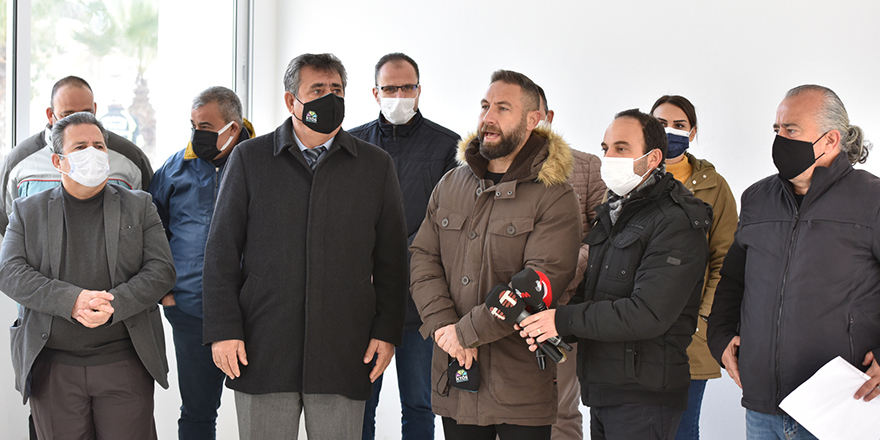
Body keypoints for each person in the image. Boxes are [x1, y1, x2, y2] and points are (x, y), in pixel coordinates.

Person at [202, 53, 409, 440]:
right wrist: (223, 329)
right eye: (317, 90)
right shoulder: (250, 158)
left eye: (337, 90)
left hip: (344, 349)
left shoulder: (375, 165)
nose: (329, 98)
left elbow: (393, 260)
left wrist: (387, 331)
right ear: (290, 100)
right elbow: (221, 253)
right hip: (263, 346)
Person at [519, 109, 711, 440]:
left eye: (621, 148)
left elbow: (648, 313)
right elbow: (594, 293)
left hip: (644, 396)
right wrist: (550, 325)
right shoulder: (615, 211)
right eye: (606, 148)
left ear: (653, 158)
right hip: (605, 388)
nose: (609, 157)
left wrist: (562, 320)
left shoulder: (676, 221)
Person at [410, 69, 581, 440]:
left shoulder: (555, 196)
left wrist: (464, 334)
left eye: (503, 108)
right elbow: (423, 258)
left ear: (533, 120)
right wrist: (443, 327)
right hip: (458, 380)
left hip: (519, 390)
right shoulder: (451, 183)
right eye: (485, 106)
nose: (487, 117)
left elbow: (538, 283)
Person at [707, 84, 880, 439]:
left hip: (840, 407)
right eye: (777, 129)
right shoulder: (757, 198)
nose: (780, 140)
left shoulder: (872, 200)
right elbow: (733, 281)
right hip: (763, 407)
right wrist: (720, 337)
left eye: (791, 130)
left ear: (830, 140)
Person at [0, 112, 175, 440]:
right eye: (80, 147)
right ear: (58, 160)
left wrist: (115, 303)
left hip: (124, 361)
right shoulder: (27, 211)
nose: (92, 153)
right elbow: (9, 271)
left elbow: (161, 270)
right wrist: (72, 300)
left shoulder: (139, 206)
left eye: (99, 146)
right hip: (53, 366)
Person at [348, 52, 459, 440]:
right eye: (390, 88)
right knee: (360, 401)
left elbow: (447, 222)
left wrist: (395, 260)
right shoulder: (352, 144)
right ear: (375, 92)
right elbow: (340, 218)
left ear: (419, 90)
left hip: (421, 301)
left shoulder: (447, 146)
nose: (399, 95)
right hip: (365, 302)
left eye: (407, 87)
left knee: (420, 404)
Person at [148, 86, 255, 440]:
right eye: (193, 125)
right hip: (192, 313)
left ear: (233, 127)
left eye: (206, 127)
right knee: (197, 412)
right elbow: (152, 232)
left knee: (262, 410)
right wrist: (166, 293)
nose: (197, 134)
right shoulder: (174, 168)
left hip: (254, 315)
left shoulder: (263, 163)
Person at [649, 95, 738, 440]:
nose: (669, 131)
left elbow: (725, 261)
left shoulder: (715, 187)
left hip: (689, 337)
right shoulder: (630, 177)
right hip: (633, 332)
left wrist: (703, 320)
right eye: (660, 124)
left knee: (682, 430)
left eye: (679, 125)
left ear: (693, 132)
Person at [535, 84, 605, 440]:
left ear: (547, 117)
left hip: (563, 310)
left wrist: (558, 277)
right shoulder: (489, 168)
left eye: (533, 115)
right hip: (503, 312)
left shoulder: (587, 166)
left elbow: (604, 236)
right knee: (501, 415)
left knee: (561, 412)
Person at [0, 75, 153, 235]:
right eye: (68, 116)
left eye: (87, 113)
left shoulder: (130, 158)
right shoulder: (18, 162)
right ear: (50, 115)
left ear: (95, 110)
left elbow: (147, 218)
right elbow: (8, 225)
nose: (79, 125)